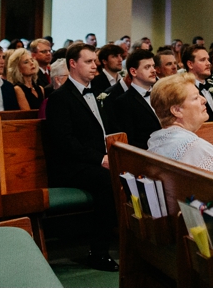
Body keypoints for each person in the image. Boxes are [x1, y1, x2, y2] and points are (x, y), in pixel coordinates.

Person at [45, 43, 117, 271]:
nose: (94, 66)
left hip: (93, 160)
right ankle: (98, 252)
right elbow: (66, 142)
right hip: (70, 166)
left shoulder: (96, 93)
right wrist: (100, 159)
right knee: (107, 181)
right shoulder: (60, 98)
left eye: (95, 61)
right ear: (73, 64)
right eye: (89, 61)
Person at [147, 73, 213, 179]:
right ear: (176, 110)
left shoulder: (158, 143)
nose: (204, 100)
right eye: (196, 97)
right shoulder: (193, 147)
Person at [103, 49, 159, 149]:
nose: (153, 70)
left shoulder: (161, 95)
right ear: (133, 71)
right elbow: (129, 140)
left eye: (153, 66)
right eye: (147, 67)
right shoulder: (123, 102)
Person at [183, 45, 213, 122]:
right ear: (190, 64)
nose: (208, 63)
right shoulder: (184, 90)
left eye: (208, 59)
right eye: (202, 60)